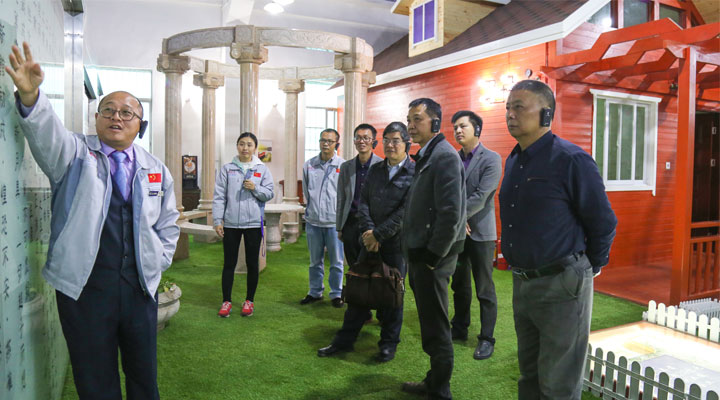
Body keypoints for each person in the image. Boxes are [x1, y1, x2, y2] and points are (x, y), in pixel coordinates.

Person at [6, 42, 180, 399]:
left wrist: (158, 261)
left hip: (139, 288)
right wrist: (31, 96)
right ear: (97, 118)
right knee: (95, 378)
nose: (117, 117)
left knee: (143, 375)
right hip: (84, 289)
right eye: (108, 110)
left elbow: (168, 223)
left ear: (140, 125)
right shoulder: (74, 153)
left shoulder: (156, 169)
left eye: (127, 113)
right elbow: (47, 134)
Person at [500, 80, 617, 400]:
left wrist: (588, 266)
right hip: (523, 283)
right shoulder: (514, 159)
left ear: (546, 114)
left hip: (562, 283)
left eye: (519, 107)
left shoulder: (570, 159)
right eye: (508, 108)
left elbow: (603, 221)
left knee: (558, 385)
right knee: (529, 376)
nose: (510, 114)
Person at [318, 122, 415, 363]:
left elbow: (405, 212)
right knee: (358, 290)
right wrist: (369, 232)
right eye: (387, 140)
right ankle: (344, 341)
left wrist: (378, 235)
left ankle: (388, 344)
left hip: (395, 244)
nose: (390, 145)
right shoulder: (376, 169)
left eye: (396, 140)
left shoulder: (415, 172)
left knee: (392, 294)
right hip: (368, 240)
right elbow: (363, 203)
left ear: (407, 143)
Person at [401, 98, 466, 400]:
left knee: (437, 326)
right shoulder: (428, 154)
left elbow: (451, 213)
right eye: (409, 120)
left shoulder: (444, 156)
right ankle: (435, 381)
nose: (411, 126)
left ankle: (440, 390)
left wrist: (432, 257)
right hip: (421, 254)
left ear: (436, 123)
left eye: (417, 119)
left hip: (432, 258)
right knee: (430, 323)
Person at [448, 110, 502, 361]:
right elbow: (448, 193)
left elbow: (482, 195)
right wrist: (458, 221)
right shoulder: (452, 158)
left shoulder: (491, 158)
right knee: (459, 284)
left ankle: (487, 338)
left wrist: (459, 218)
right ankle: (459, 327)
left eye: (463, 126)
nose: (458, 131)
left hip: (481, 233)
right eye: (455, 128)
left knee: (484, 288)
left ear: (477, 129)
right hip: (458, 234)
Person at [213, 132, 274, 317]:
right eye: (241, 144)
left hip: (253, 224)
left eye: (249, 144)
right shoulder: (227, 169)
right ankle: (226, 301)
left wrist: (255, 188)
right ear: (237, 146)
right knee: (229, 263)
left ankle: (249, 301)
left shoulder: (262, 169)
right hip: (231, 224)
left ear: (255, 147)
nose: (245, 148)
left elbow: (269, 193)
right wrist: (217, 220)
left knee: (252, 264)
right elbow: (219, 197)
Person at [301, 128, 346, 307]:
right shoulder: (309, 165)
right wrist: (311, 209)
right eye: (323, 140)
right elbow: (306, 191)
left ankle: (336, 294)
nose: (325, 144)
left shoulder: (343, 166)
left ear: (337, 144)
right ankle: (315, 292)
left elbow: (345, 194)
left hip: (334, 223)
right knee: (314, 261)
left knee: (336, 261)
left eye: (330, 141)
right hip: (313, 221)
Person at [336, 123, 382, 266]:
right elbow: (341, 198)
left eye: (366, 138)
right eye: (358, 138)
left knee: (371, 265)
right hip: (350, 222)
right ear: (354, 141)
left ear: (373, 141)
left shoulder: (382, 165)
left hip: (372, 224)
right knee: (352, 265)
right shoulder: (346, 167)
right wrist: (340, 227)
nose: (362, 141)